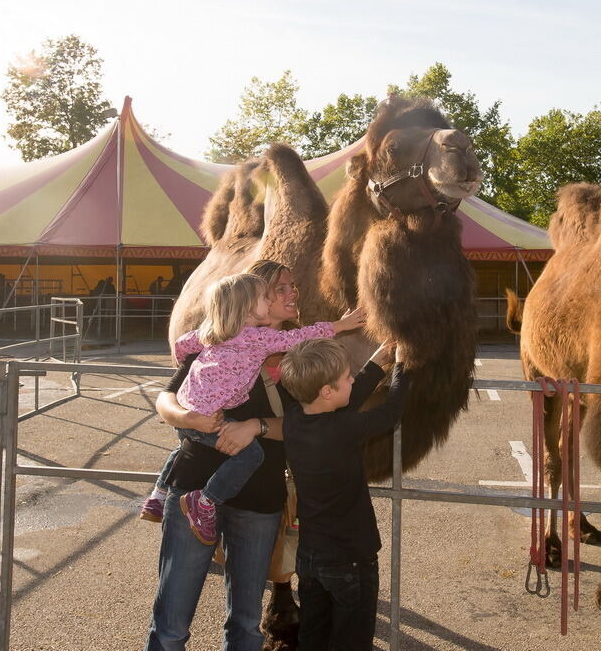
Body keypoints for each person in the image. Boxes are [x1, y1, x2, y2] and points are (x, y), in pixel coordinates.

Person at [146, 259, 309, 651]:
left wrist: (257, 426)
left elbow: (312, 426)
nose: (292, 294)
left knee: (246, 625)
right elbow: (167, 397)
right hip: (193, 491)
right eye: (280, 288)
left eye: (293, 286)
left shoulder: (303, 356)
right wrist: (188, 417)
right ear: (257, 299)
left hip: (260, 498)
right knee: (171, 623)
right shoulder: (218, 338)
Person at [139, 272, 365, 547]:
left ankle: (160, 493)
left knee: (183, 443)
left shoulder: (213, 333)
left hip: (191, 407)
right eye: (264, 297)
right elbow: (300, 336)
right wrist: (340, 325)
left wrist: (186, 362)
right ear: (246, 308)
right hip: (207, 416)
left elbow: (183, 343)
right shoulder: (258, 339)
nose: (268, 301)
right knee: (251, 454)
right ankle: (205, 501)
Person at [281, 338, 408, 650]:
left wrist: (377, 361)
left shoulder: (295, 419)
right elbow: (391, 412)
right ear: (327, 391)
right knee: (351, 641)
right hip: (351, 558)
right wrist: (402, 366)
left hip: (311, 558)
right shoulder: (343, 428)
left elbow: (345, 400)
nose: (353, 379)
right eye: (348, 376)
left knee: (313, 636)